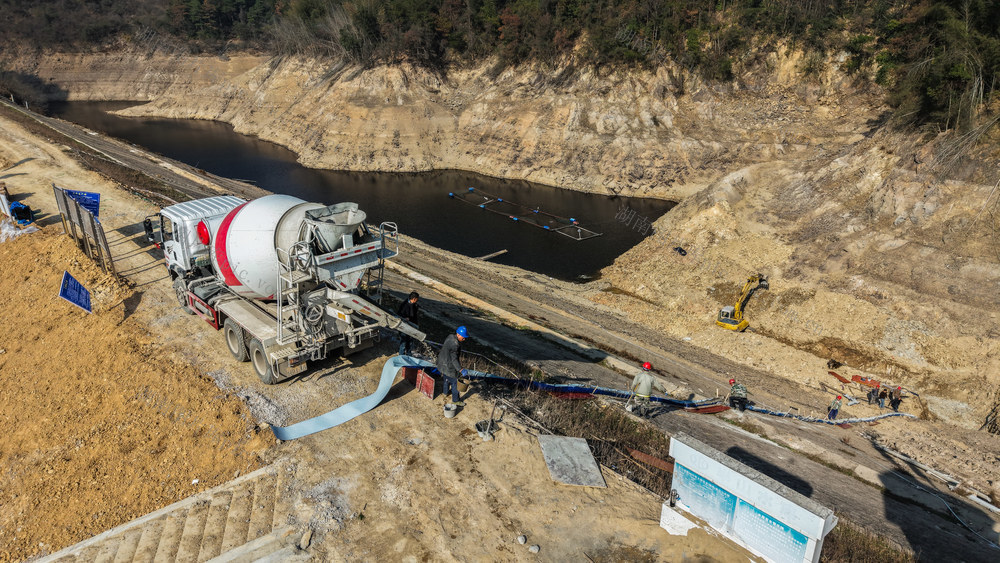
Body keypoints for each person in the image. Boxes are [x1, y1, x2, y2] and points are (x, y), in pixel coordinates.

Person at [436, 326, 468, 407]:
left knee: (446, 378)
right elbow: (454, 360)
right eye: (463, 337)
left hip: (442, 362)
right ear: (458, 334)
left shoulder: (450, 336)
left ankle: (445, 392)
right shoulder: (455, 345)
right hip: (448, 365)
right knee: (455, 383)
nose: (464, 339)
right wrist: (460, 369)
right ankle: (455, 400)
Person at [397, 291, 420, 356]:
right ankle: (401, 355)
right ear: (414, 299)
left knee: (410, 342)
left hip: (412, 325)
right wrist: (405, 318)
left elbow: (415, 316)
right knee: (404, 342)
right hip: (404, 326)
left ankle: (409, 354)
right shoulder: (404, 305)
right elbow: (399, 314)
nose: (416, 301)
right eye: (416, 300)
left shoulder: (415, 305)